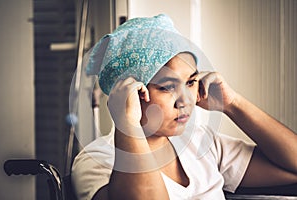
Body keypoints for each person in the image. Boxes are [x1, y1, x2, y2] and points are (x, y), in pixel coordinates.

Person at [71, 14, 297, 200]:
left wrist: (233, 104)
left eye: (190, 82)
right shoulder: (97, 160)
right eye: (167, 87)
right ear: (131, 92)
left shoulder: (200, 143)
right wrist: (128, 126)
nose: (185, 101)